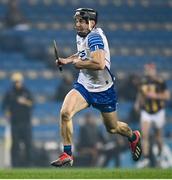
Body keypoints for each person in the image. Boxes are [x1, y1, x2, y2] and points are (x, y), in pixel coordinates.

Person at [51, 8, 142, 167]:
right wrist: (67, 60)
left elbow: (99, 64)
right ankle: (67, 153)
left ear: (91, 23)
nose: (77, 24)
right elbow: (82, 54)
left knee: (113, 128)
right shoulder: (82, 35)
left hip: (103, 90)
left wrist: (79, 64)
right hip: (84, 85)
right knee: (65, 113)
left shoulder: (95, 37)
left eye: (81, 21)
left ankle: (133, 136)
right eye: (76, 21)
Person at [135, 63, 170, 167]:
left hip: (158, 111)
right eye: (146, 69)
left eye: (149, 69)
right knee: (144, 135)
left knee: (158, 137)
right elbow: (140, 93)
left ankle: (159, 155)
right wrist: (137, 103)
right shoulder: (142, 81)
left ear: (154, 70)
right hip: (146, 111)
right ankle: (146, 159)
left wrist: (155, 95)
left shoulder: (160, 81)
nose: (147, 71)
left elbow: (167, 96)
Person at [2, 72, 33, 167]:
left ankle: (29, 164)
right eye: (15, 82)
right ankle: (15, 165)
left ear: (22, 82)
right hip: (14, 123)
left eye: (18, 81)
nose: (17, 83)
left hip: (26, 123)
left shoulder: (26, 92)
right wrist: (7, 112)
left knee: (28, 144)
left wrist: (25, 102)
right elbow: (4, 106)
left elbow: (32, 104)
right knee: (15, 145)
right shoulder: (9, 93)